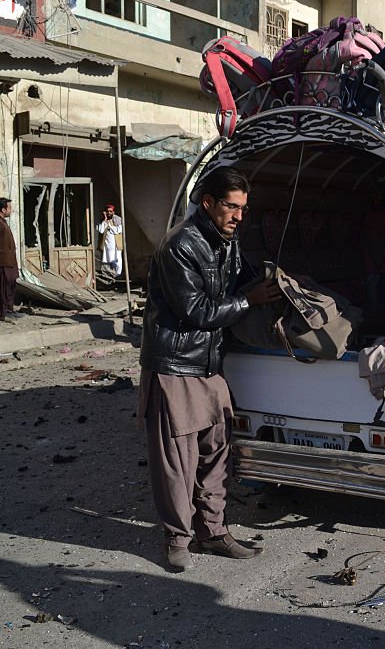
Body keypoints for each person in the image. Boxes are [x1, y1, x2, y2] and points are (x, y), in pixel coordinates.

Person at [138, 166, 282, 572]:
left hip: (208, 365)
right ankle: (177, 540)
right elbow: (196, 310)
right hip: (174, 365)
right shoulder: (180, 245)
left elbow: (242, 280)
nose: (239, 216)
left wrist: (281, 286)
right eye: (231, 207)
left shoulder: (226, 241)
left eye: (243, 209)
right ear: (208, 203)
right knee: (177, 462)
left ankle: (214, 533)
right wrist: (249, 301)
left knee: (216, 454)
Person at [97, 204, 124, 278]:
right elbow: (101, 230)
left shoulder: (118, 220)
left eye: (110, 211)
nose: (109, 213)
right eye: (107, 211)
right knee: (107, 262)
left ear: (113, 212)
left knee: (117, 262)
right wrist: (105, 220)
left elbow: (118, 230)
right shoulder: (103, 221)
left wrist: (110, 227)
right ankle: (109, 277)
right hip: (106, 247)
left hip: (116, 246)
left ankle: (118, 276)